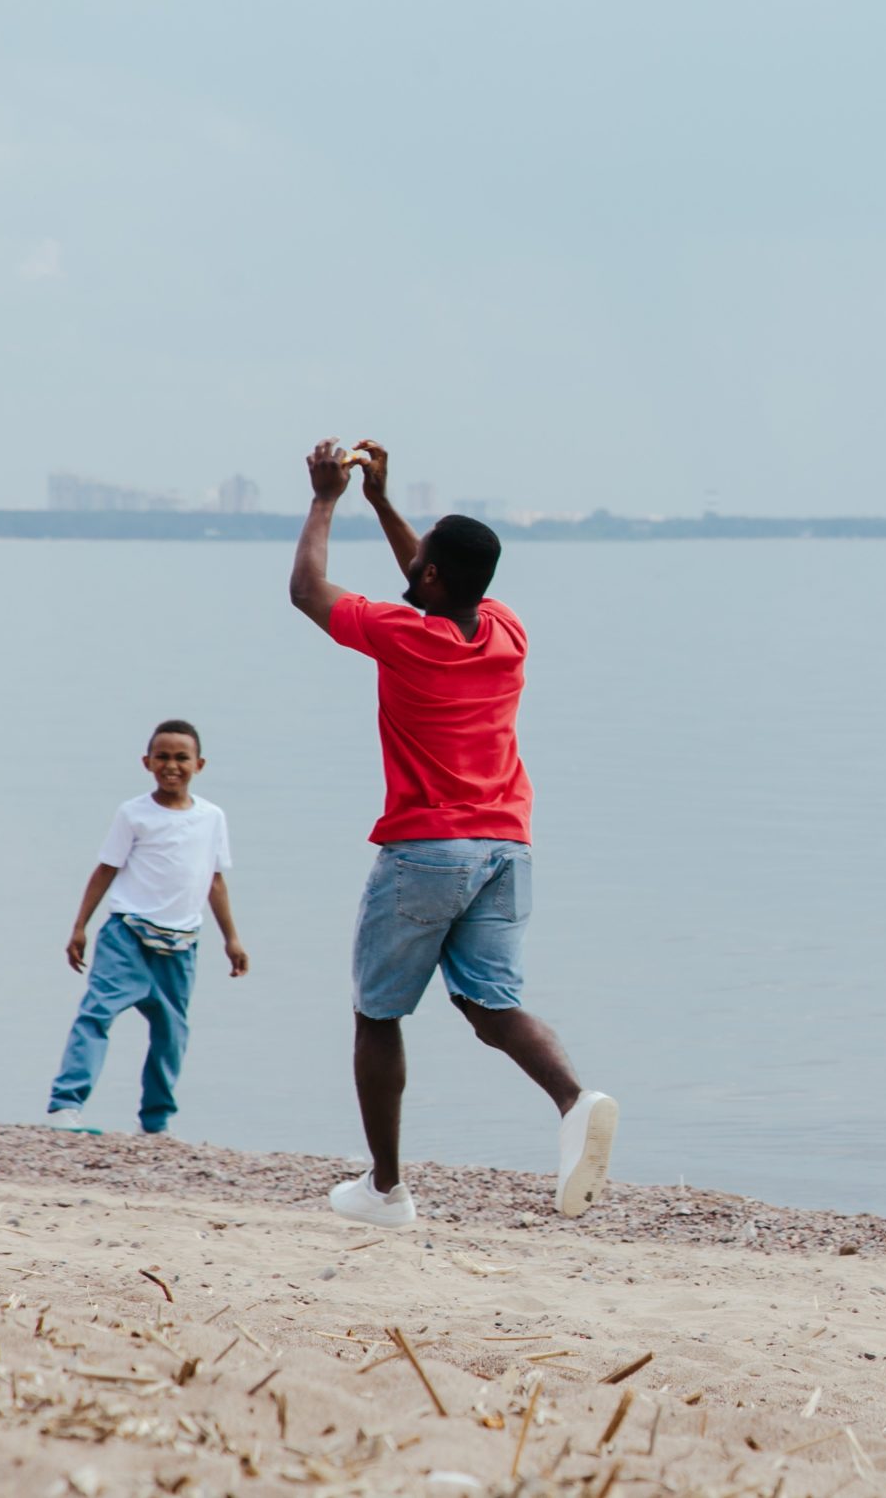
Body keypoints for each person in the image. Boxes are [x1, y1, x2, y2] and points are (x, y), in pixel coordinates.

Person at [289, 438, 618, 1230]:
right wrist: (383, 502)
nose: (415, 563)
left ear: (431, 576)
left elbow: (307, 591)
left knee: (378, 1013)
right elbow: (431, 578)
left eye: (423, 557)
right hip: (507, 849)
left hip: (428, 850)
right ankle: (576, 1100)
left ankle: (387, 1189)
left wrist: (328, 498)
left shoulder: (406, 636)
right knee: (491, 1009)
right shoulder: (505, 630)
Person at [46, 720, 248, 1135]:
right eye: (163, 757)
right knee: (97, 1014)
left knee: (171, 1033)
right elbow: (105, 870)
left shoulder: (212, 818)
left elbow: (214, 880)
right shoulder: (134, 814)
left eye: (181, 758)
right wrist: (80, 926)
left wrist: (232, 938)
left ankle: (155, 1122)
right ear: (147, 762)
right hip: (127, 935)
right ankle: (65, 1108)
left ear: (199, 764)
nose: (171, 766)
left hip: (182, 944)